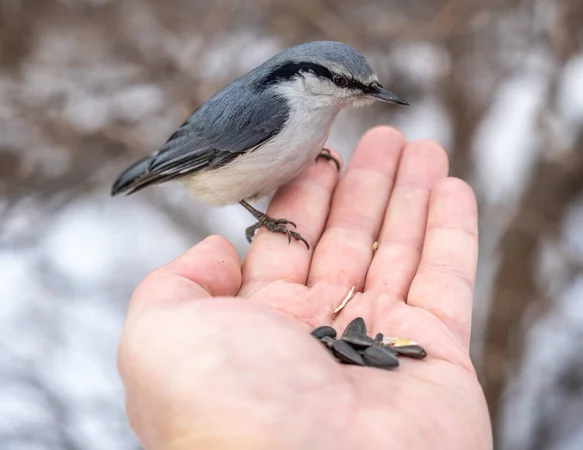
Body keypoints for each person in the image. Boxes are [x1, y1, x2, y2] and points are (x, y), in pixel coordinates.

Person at [117, 126, 493, 449]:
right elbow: (213, 160)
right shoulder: (272, 111)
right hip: (197, 157)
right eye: (344, 81)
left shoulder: (304, 119)